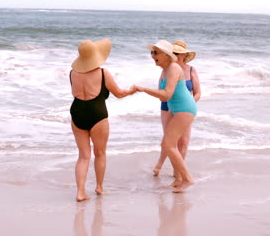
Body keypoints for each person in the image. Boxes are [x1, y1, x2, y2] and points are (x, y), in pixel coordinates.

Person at [70, 38, 136, 201]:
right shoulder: (102, 72)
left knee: (83, 156)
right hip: (97, 114)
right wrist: (133, 90)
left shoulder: (72, 73)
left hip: (77, 112)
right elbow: (119, 94)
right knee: (100, 153)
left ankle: (80, 192)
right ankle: (99, 188)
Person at [133, 40, 196, 193]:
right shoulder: (164, 69)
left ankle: (187, 179)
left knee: (169, 145)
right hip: (174, 109)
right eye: (151, 52)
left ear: (167, 55)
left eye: (156, 52)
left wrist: (143, 89)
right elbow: (163, 98)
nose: (152, 56)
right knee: (167, 144)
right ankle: (178, 179)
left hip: (185, 108)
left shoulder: (174, 68)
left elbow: (166, 94)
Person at [153, 40, 201, 176]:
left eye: (178, 53)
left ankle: (177, 172)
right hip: (167, 106)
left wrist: (188, 103)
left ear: (184, 55)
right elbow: (161, 90)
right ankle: (159, 164)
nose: (175, 55)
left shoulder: (191, 70)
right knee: (168, 139)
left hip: (184, 108)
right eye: (173, 53)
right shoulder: (167, 69)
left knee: (184, 141)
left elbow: (198, 93)